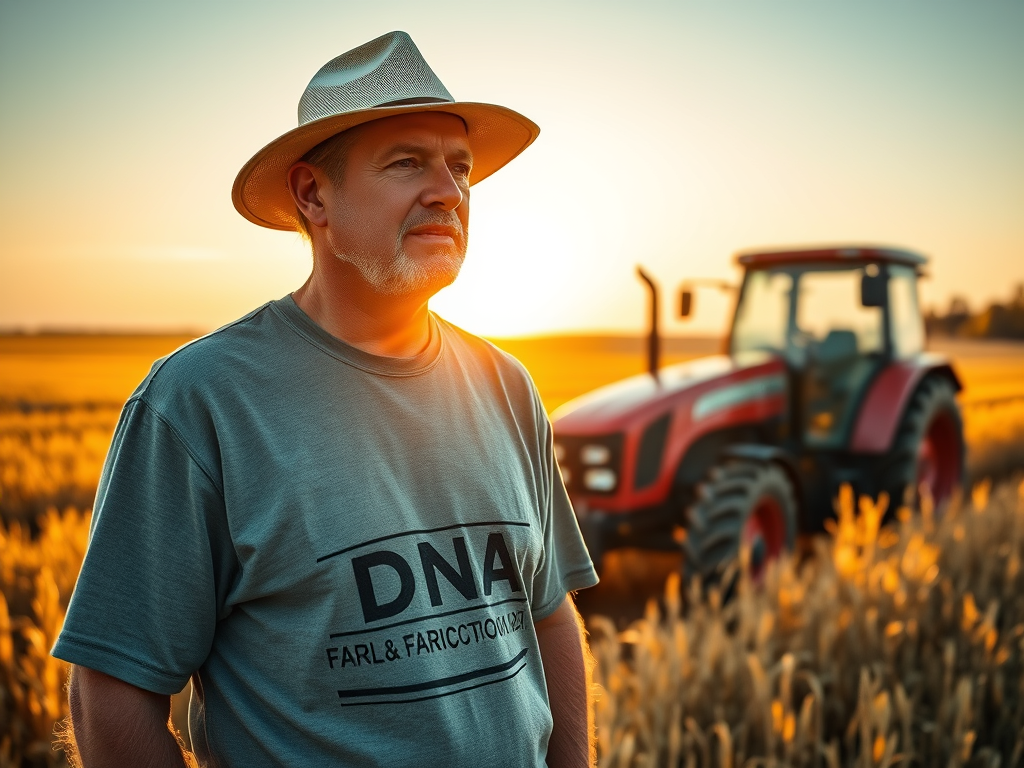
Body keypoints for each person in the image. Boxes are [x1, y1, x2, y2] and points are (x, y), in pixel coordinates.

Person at [52, 31, 598, 768]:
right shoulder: (200, 402)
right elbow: (111, 690)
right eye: (407, 162)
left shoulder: (506, 384)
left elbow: (548, 612)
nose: (449, 191)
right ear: (314, 195)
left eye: (459, 166)